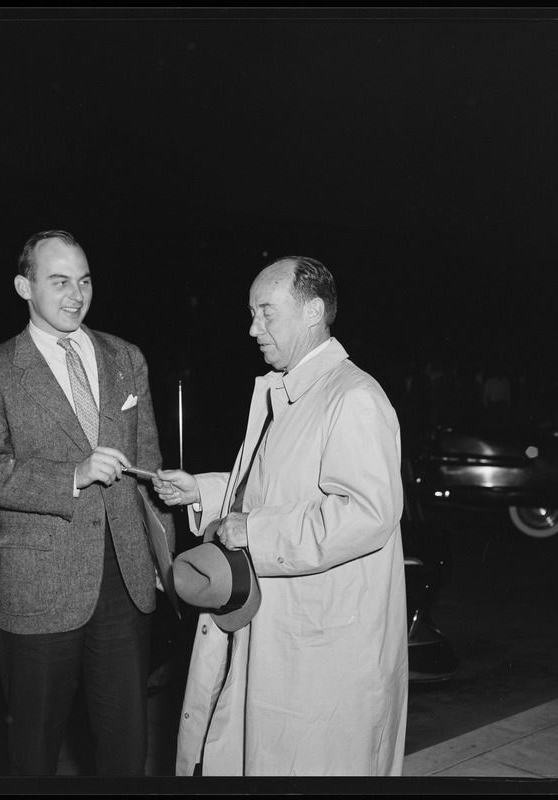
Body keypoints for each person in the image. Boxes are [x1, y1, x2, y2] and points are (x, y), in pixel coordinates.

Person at [153, 256, 408, 776]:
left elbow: (367, 512)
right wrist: (201, 489)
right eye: (252, 314)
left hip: (323, 649)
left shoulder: (353, 397)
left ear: (313, 312)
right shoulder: (289, 391)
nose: (253, 328)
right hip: (280, 628)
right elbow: (275, 490)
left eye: (266, 313)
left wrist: (255, 531)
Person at [0, 229, 174, 777]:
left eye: (84, 280)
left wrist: (160, 554)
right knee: (35, 746)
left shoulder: (126, 357)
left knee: (126, 741)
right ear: (23, 287)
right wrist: (70, 477)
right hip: (39, 580)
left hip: (126, 578)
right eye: (59, 281)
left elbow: (147, 464)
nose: (76, 294)